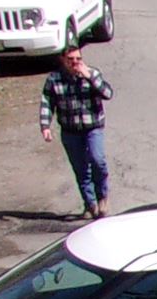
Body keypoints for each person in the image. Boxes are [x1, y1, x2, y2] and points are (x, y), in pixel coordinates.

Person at [38, 44, 113, 219]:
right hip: (70, 130)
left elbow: (108, 93)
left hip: (92, 127)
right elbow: (47, 104)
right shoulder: (54, 80)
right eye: (70, 59)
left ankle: (103, 198)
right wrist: (45, 126)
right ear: (63, 60)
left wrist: (90, 78)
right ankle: (90, 204)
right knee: (81, 169)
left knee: (97, 160)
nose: (75, 63)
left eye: (78, 59)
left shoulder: (91, 74)